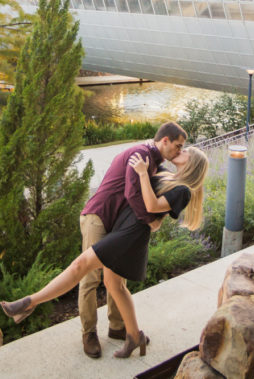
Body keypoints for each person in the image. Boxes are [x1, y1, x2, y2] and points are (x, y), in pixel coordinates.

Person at [0, 145, 208, 359]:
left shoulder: (183, 191)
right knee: (114, 285)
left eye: (185, 152)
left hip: (131, 234)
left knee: (79, 266)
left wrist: (143, 175)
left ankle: (29, 303)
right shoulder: (166, 173)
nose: (180, 151)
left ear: (192, 164)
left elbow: (153, 205)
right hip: (122, 226)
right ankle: (134, 336)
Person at [76, 121, 187, 358]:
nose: (179, 151)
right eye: (177, 146)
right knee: (91, 277)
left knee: (117, 274)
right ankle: (89, 333)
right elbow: (132, 193)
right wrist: (150, 221)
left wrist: (160, 218)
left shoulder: (155, 163)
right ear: (164, 140)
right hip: (99, 216)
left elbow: (165, 195)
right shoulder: (141, 155)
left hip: (116, 222)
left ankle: (118, 327)